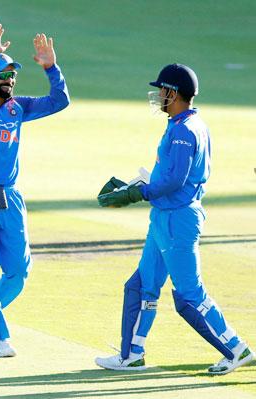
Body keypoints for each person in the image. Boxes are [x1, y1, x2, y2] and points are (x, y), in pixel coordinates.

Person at [95, 64, 254, 375]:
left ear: (174, 93)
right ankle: (132, 354)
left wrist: (135, 194)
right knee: (142, 286)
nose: (158, 96)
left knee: (189, 295)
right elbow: (166, 176)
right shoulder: (187, 123)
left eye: (162, 91)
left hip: (177, 219)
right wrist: (136, 186)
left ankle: (236, 349)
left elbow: (174, 181)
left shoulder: (184, 132)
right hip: (165, 217)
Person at [0, 23, 70, 357]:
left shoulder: (17, 108)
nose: (9, 80)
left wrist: (51, 68)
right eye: (3, 75)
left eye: (13, 76)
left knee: (20, 271)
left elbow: (60, 101)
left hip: (9, 195)